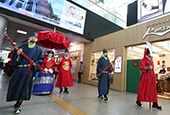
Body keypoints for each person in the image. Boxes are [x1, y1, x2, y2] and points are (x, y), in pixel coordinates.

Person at [6, 32, 44, 114]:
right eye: (32, 37)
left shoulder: (38, 50)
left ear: (37, 40)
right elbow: (14, 58)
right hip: (19, 71)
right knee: (16, 87)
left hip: (28, 72)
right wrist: (18, 54)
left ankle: (18, 105)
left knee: (24, 89)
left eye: (35, 37)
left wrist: (36, 63)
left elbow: (41, 59)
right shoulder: (22, 47)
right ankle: (16, 101)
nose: (33, 38)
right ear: (28, 38)